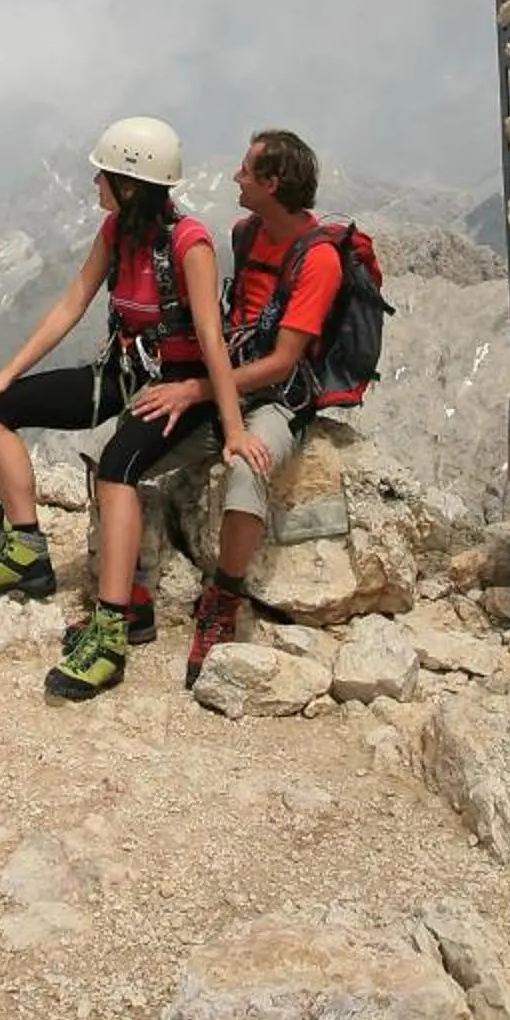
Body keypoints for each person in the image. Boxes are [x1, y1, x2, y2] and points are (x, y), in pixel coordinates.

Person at [0, 117, 266, 701]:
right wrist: (9, 374)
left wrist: (229, 425)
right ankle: (26, 548)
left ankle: (110, 632)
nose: (96, 183)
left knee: (117, 467)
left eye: (105, 175)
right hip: (124, 374)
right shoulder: (116, 231)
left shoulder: (190, 243)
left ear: (131, 183)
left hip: (178, 387)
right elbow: (72, 303)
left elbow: (210, 340)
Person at [102, 129, 339, 686]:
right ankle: (130, 594)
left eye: (246, 170)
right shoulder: (246, 233)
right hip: (225, 383)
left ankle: (223, 601)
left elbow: (283, 362)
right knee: (118, 456)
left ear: (271, 183)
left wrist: (199, 390)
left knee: (246, 469)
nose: (235, 176)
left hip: (279, 399)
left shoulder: (320, 259)